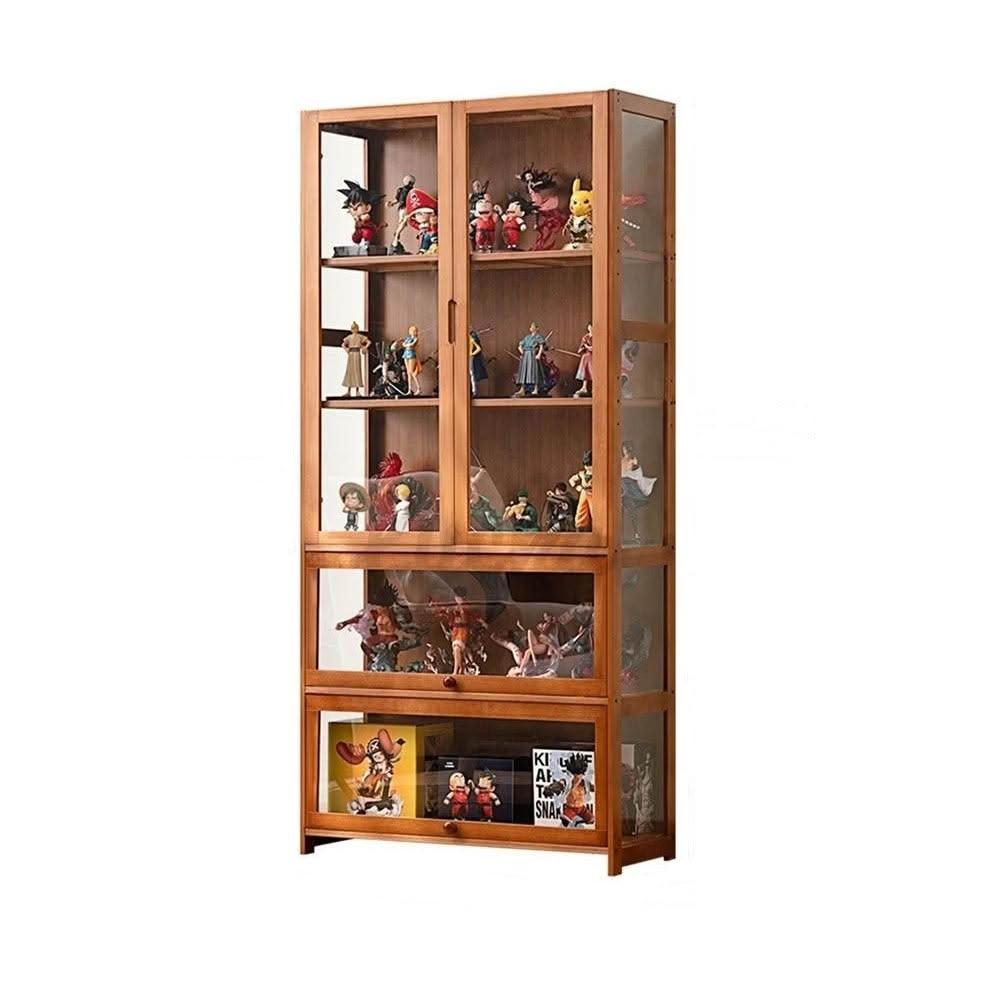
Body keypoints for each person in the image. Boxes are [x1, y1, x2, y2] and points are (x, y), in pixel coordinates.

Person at [341, 321, 369, 397]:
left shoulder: (360, 336)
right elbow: (343, 344)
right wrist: (346, 349)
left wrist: (364, 347)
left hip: (357, 354)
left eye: (355, 328)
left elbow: (369, 342)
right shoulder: (349, 337)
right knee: (350, 372)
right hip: (351, 354)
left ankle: (357, 391)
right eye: (353, 328)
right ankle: (348, 391)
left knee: (357, 372)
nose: (354, 330)